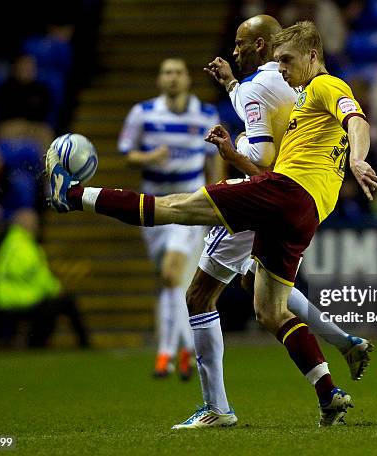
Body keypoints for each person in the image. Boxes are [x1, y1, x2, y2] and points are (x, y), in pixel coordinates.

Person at [47, 21, 377, 427]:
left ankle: (69, 196)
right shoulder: (299, 103)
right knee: (269, 309)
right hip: (305, 211)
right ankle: (329, 392)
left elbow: (357, 121)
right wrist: (234, 142)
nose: (281, 68)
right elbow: (274, 158)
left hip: (282, 192)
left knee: (171, 209)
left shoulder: (324, 86)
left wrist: (358, 159)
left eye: (287, 60)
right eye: (277, 61)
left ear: (313, 56)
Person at [176, 14, 374, 429]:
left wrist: (233, 156)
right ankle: (345, 344)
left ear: (262, 46)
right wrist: (232, 85)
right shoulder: (295, 86)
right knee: (264, 290)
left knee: (201, 296)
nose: (235, 50)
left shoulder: (293, 84)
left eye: (241, 43)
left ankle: (217, 408)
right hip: (298, 198)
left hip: (264, 192)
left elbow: (265, 154)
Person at [117, 58, 220, 379]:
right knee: (168, 281)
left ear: (187, 79)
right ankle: (185, 350)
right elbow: (126, 154)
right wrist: (149, 157)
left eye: (178, 72)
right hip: (152, 204)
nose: (172, 78)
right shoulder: (143, 113)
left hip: (188, 203)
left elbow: (214, 161)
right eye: (166, 72)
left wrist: (217, 200)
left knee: (171, 273)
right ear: (159, 80)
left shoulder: (205, 115)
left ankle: (166, 355)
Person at [0, 209, 89, 348]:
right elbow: (35, 274)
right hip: (20, 299)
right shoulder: (21, 245)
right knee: (65, 304)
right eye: (33, 222)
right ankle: (83, 344)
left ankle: (37, 343)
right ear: (25, 224)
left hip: (12, 298)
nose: (36, 225)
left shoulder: (15, 241)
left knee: (53, 307)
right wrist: (55, 288)